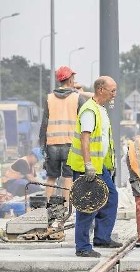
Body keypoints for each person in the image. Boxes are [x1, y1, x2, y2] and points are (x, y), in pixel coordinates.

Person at [67, 76, 121, 258]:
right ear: (100, 90)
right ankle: (82, 246)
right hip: (87, 167)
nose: (114, 94)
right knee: (86, 205)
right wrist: (88, 164)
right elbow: (85, 138)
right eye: (112, 90)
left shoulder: (101, 109)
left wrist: (108, 165)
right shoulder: (89, 110)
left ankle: (102, 237)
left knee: (111, 197)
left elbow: (104, 141)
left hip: (100, 166)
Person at [39, 66, 90, 204]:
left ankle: (47, 208)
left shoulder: (49, 98)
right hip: (70, 144)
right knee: (68, 177)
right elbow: (86, 118)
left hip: (52, 144)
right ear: (70, 79)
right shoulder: (77, 98)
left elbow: (44, 123)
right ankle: (66, 208)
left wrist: (42, 145)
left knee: (51, 177)